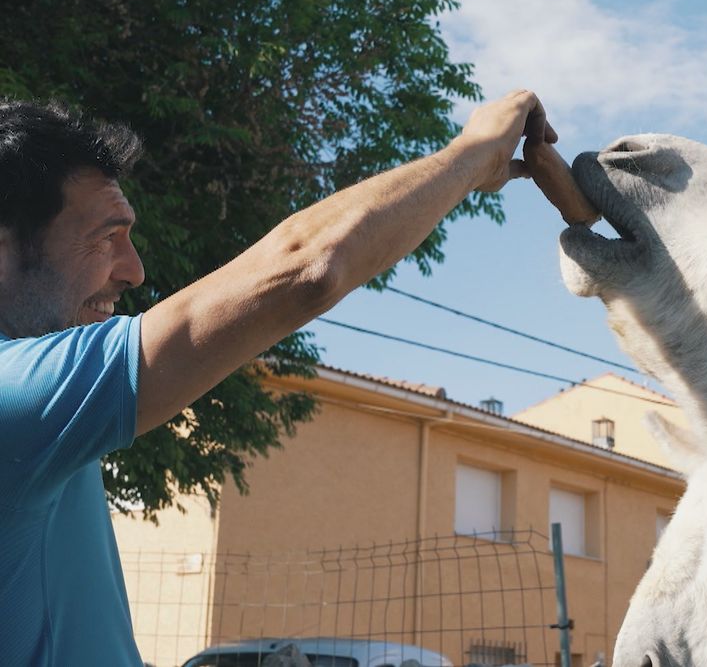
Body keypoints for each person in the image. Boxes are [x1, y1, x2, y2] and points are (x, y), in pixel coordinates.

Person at [0, 90, 556, 665]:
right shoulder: (13, 396)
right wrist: (472, 154)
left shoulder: (43, 422)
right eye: (105, 238)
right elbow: (307, 268)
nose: (135, 270)